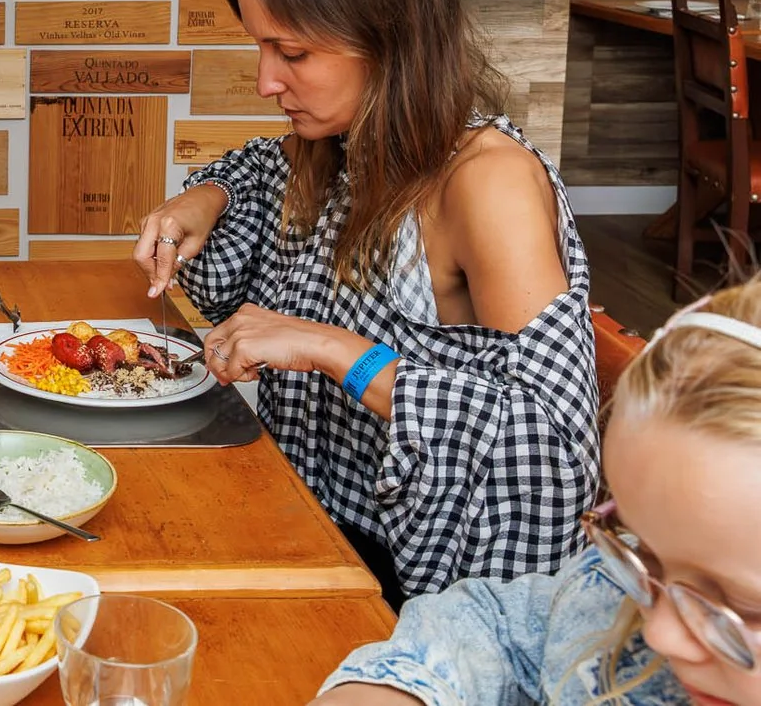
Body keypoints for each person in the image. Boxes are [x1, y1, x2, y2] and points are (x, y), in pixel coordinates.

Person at [135, 0, 598, 605]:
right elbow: (256, 168)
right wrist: (206, 195)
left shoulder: (487, 183)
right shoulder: (342, 143)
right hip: (307, 515)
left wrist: (332, 349)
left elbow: (550, 449)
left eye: (292, 53)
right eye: (261, 47)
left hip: (412, 592)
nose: (265, 81)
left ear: (387, 41)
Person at [313, 277, 761, 706]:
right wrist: (402, 688)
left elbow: (539, 446)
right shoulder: (607, 593)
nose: (659, 634)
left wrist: (350, 360)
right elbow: (508, 629)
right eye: (639, 550)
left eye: (744, 608)